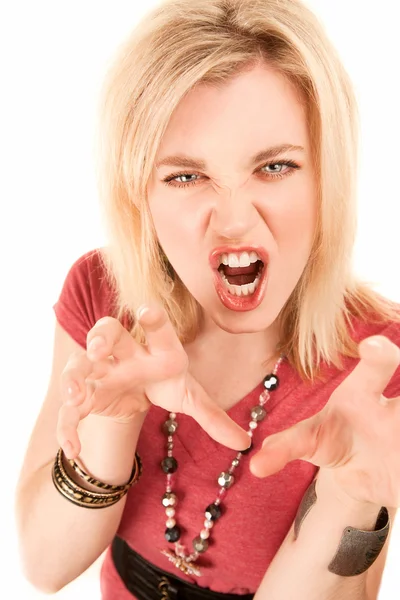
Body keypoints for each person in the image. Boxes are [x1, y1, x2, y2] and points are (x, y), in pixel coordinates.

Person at [15, 0, 400, 598]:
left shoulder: (377, 364)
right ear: (139, 193)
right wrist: (112, 423)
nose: (235, 221)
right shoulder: (102, 296)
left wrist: (352, 495)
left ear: (329, 178)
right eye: (186, 176)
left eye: (274, 167)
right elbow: (43, 564)